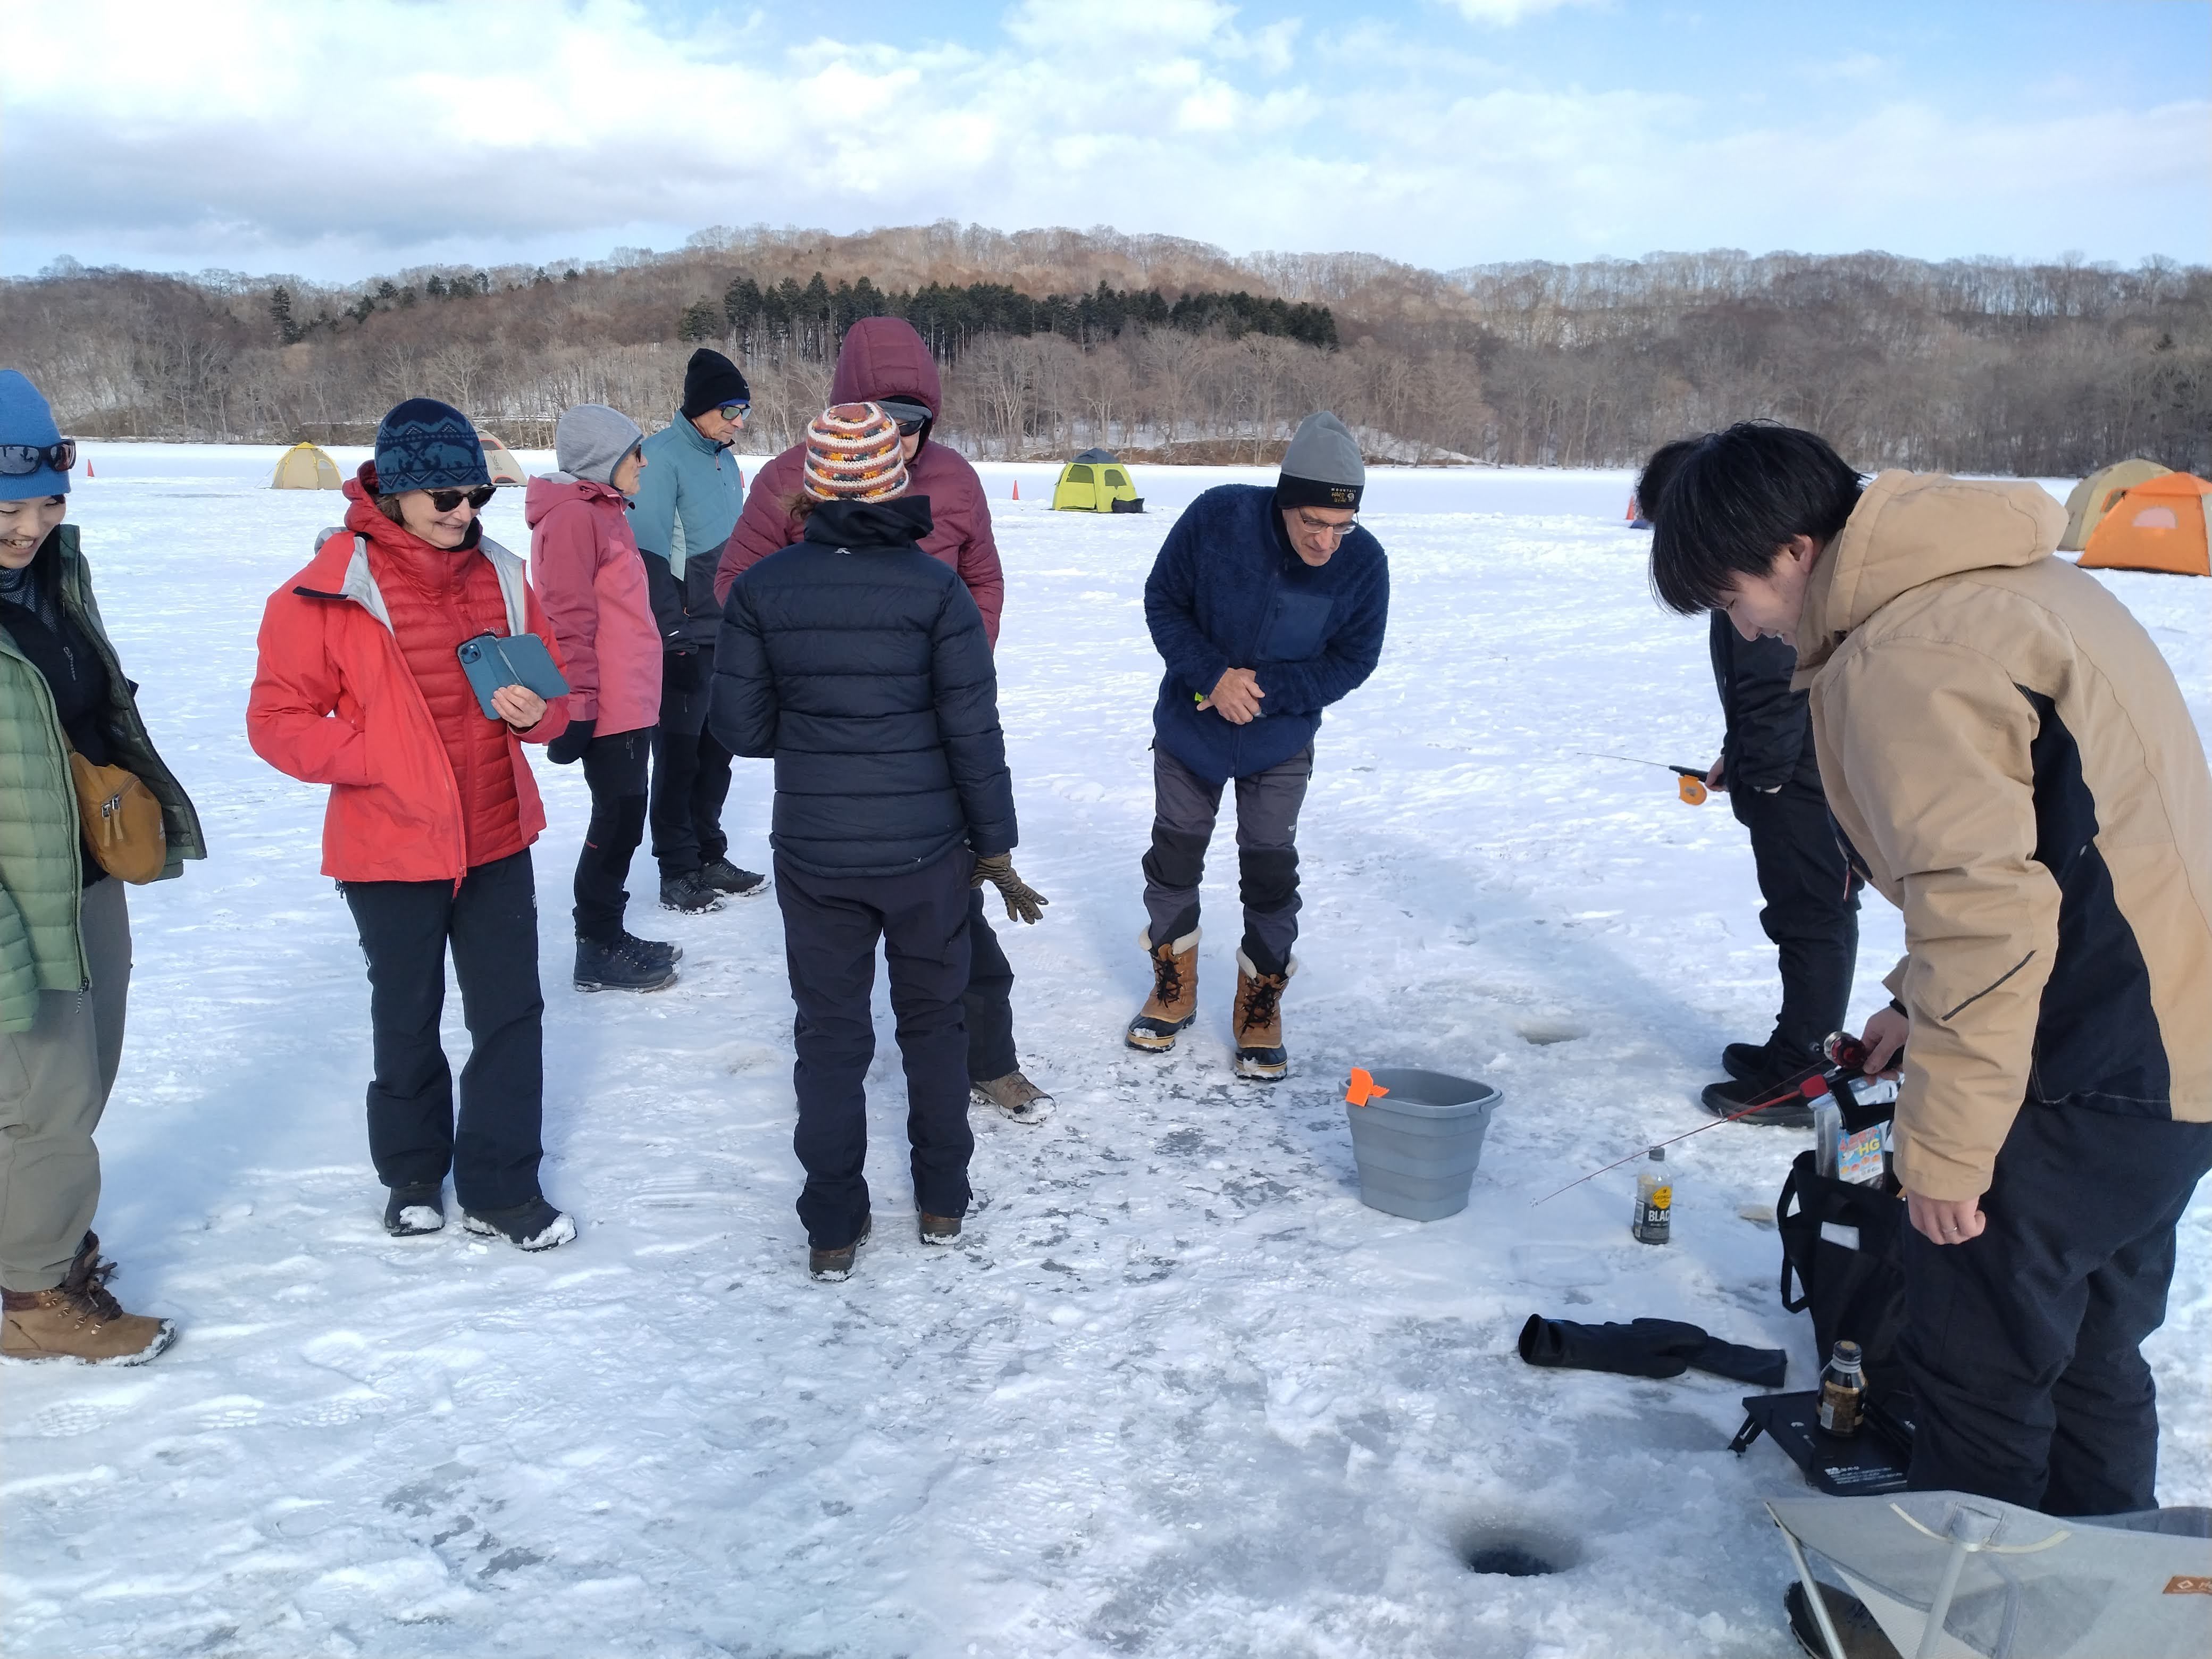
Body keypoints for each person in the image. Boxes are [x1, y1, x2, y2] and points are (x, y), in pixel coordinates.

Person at [1648, 424, 2212, 1608]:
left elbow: (1986, 917)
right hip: (2171, 1050)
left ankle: (1949, 1622)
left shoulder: (1907, 651)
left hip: (2074, 1068)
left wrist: (1945, 1151)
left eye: (1735, 595)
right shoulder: (2010, 584)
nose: (1743, 628)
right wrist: (1913, 1002)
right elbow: (2051, 850)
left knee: (1980, 1368)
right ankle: (2099, 1607)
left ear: (1796, 552)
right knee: (2096, 1351)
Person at [710, 403, 1038, 1281]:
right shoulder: (936, 590)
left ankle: (832, 1228)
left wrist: (817, 732)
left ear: (813, 488)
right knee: (932, 1025)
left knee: (830, 1037)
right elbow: (975, 730)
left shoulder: (763, 588)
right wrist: (994, 846)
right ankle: (941, 1202)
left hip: (817, 849)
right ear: (894, 484)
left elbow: (739, 726)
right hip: (926, 852)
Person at [248, 397, 579, 1251]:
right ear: (395, 492)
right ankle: (413, 1174)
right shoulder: (327, 587)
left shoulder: (504, 573)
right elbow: (276, 720)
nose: (466, 514)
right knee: (407, 1015)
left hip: (497, 834)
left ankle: (503, 1188)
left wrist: (533, 715)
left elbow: (552, 702)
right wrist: (380, 752)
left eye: (478, 497)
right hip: (389, 846)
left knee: (511, 1015)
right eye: (447, 499)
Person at [0, 370, 204, 1364]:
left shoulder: (50, 584)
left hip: (82, 874)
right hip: (11, 902)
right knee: (45, 1101)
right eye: (4, 509)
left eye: (45, 504)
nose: (27, 528)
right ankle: (36, 1302)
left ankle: (30, 1242)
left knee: (85, 1080)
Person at [1127, 411, 1389, 1079]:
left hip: (1278, 743)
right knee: (1174, 858)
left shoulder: (1363, 565)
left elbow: (1353, 660)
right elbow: (1163, 601)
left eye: (1341, 527)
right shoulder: (1217, 519)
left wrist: (1263, 691)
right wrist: (1212, 677)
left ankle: (1260, 1003)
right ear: (1283, 501)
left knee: (1270, 873)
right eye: (1313, 524)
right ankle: (1171, 985)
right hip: (1190, 731)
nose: (1327, 542)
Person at [1635, 438, 1861, 1126]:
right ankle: (1793, 1043)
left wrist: (1761, 775)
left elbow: (1777, 687)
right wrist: (1739, 753)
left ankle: (1805, 1067)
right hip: (1778, 767)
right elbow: (1752, 690)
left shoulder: (1761, 577)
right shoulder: (1744, 578)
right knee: (1795, 911)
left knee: (1812, 913)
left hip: (1800, 776)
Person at [526, 404, 676, 993]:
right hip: (605, 703)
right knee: (614, 819)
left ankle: (608, 935)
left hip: (630, 698)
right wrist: (580, 704)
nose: (644, 461)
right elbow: (566, 619)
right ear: (601, 460)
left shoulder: (605, 512)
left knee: (625, 819)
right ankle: (597, 947)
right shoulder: (572, 520)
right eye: (634, 451)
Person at [630, 348, 764, 915]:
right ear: (702, 406)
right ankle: (677, 867)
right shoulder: (660, 457)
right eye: (732, 409)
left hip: (726, 628)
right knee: (679, 756)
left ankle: (709, 853)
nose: (739, 421)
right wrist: (669, 632)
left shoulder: (724, 461)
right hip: (682, 632)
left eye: (745, 411)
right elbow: (649, 551)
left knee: (717, 752)